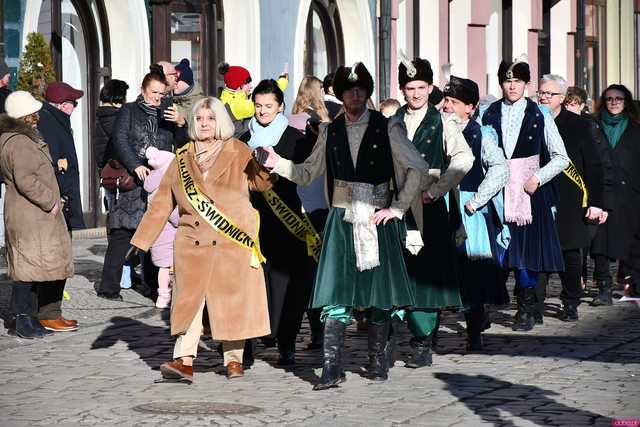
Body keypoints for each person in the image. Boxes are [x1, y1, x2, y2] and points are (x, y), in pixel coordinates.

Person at [258, 62, 428, 390]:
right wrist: (277, 162)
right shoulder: (329, 131)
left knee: (378, 293)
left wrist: (396, 208)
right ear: (338, 93)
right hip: (340, 218)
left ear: (367, 92)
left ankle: (378, 359)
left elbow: (418, 168)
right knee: (337, 291)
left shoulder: (388, 127)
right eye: (348, 90)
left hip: (377, 219)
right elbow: (308, 172)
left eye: (360, 89)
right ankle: (331, 368)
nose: (354, 95)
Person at [131, 96, 274, 382]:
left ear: (219, 122)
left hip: (230, 240)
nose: (204, 123)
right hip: (191, 241)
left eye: (210, 118)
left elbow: (262, 185)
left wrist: (264, 164)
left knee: (230, 301)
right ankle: (183, 361)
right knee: (188, 302)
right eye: (199, 119)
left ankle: (234, 360)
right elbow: (161, 203)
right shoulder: (182, 157)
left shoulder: (237, 150)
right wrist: (140, 242)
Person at [393, 58, 473, 368]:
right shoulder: (392, 120)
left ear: (430, 88)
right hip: (397, 206)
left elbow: (463, 158)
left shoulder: (444, 122)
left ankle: (422, 341)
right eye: (410, 88)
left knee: (427, 275)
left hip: (429, 207)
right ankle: (393, 336)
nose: (415, 94)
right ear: (402, 89)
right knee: (398, 271)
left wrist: (436, 191)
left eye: (421, 88)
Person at [481, 59, 569, 331]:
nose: (512, 86)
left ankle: (526, 308)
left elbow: (560, 157)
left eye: (518, 81)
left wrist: (538, 178)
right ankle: (483, 306)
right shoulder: (487, 113)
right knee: (492, 253)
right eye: (507, 81)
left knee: (525, 255)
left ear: (526, 84)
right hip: (495, 192)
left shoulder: (539, 114)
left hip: (528, 193)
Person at [95, 66, 188, 301]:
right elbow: (120, 139)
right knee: (123, 233)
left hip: (161, 182)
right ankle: (109, 287)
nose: (157, 98)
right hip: (134, 182)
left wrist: (180, 123)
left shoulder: (167, 111)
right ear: (143, 90)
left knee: (160, 233)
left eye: (161, 93)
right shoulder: (129, 111)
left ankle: (156, 287)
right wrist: (135, 164)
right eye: (153, 93)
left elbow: (182, 143)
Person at [239, 79, 314, 367]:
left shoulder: (297, 139)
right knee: (251, 280)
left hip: (287, 220)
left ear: (280, 106)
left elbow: (307, 175)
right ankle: (246, 344)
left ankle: (286, 342)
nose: (262, 111)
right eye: (258, 106)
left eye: (268, 106)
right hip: (251, 219)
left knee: (286, 283)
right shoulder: (243, 138)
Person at [442, 76, 510, 350]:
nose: (446, 106)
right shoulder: (434, 129)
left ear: (469, 108)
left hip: (468, 209)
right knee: (438, 270)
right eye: (446, 100)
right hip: (438, 205)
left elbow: (500, 168)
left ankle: (474, 334)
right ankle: (428, 337)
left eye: (454, 102)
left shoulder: (480, 134)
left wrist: (478, 200)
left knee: (472, 274)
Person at [0, 91, 75, 337]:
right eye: (34, 113)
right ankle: (23, 320)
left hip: (32, 214)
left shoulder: (19, 138)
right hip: (31, 214)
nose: (38, 117)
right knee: (27, 270)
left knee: (33, 268)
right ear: (26, 115)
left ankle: (33, 318)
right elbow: (26, 180)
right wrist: (51, 201)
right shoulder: (19, 142)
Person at [535, 74, 605, 322]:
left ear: (562, 98)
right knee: (539, 251)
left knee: (570, 253)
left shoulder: (578, 125)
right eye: (541, 92)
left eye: (549, 94)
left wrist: (596, 202)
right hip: (538, 194)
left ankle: (571, 300)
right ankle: (535, 304)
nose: (543, 97)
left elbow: (594, 165)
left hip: (570, 196)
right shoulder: (531, 121)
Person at [564, 86, 616, 290]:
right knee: (578, 243)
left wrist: (602, 202)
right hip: (572, 193)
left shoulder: (589, 127)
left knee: (593, 241)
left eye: (574, 103)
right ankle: (579, 279)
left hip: (590, 192)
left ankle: (602, 283)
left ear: (581, 105)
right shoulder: (557, 124)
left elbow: (602, 164)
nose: (570, 107)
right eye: (568, 103)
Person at [591, 84, 640, 300]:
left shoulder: (635, 128)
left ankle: (633, 281)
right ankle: (604, 287)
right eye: (609, 98)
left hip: (630, 192)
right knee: (600, 240)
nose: (614, 102)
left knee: (632, 239)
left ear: (626, 102)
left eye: (618, 99)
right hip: (601, 189)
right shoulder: (592, 126)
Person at [37, 81, 86, 231]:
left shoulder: (55, 120)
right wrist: (64, 197)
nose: (75, 106)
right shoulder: (50, 124)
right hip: (60, 200)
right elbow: (53, 163)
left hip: (63, 198)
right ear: (63, 105)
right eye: (74, 103)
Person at [143, 147, 179, 309]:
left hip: (157, 235)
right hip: (170, 236)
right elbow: (172, 213)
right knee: (173, 269)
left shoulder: (152, 185)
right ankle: (168, 296)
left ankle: (162, 296)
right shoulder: (165, 187)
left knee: (162, 269)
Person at [219, 62, 288, 137]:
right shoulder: (234, 104)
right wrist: (283, 81)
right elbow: (264, 99)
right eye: (247, 83)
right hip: (240, 143)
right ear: (238, 86)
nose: (250, 86)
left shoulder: (231, 97)